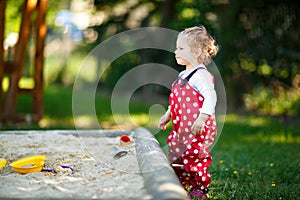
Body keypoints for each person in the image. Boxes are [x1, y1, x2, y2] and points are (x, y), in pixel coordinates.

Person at [158, 26, 219, 199]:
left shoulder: (201, 75)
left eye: (181, 48)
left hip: (197, 128)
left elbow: (210, 97)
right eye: (177, 47)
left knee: (195, 156)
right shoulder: (183, 74)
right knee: (177, 154)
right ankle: (180, 184)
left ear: (197, 51)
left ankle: (200, 187)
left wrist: (202, 118)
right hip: (180, 128)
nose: (175, 51)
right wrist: (168, 114)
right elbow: (176, 100)